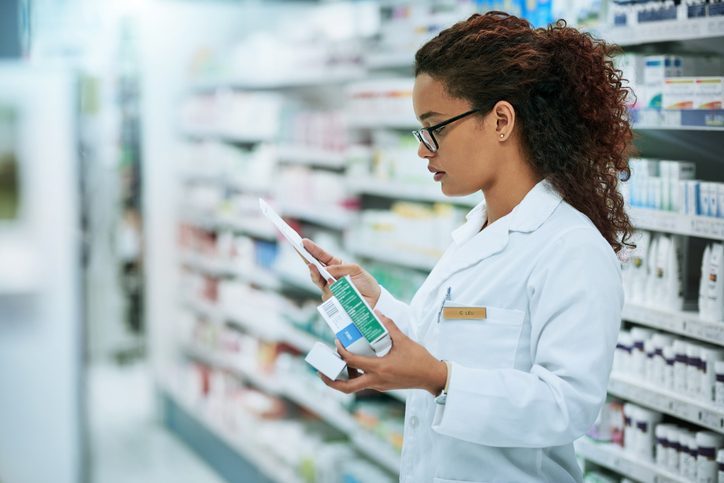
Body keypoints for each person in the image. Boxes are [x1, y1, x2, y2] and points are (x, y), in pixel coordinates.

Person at [303, 11, 633, 483]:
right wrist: (375, 304)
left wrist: (439, 378)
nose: (423, 149)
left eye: (434, 127)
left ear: (500, 120)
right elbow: (452, 335)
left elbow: (568, 407)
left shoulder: (571, 247)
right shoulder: (475, 231)